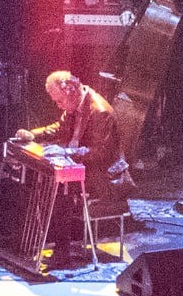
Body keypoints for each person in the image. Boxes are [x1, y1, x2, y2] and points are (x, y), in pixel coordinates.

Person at [25, 70, 130, 225]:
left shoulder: (100, 113)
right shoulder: (74, 103)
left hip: (104, 176)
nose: (58, 105)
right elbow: (60, 128)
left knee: (59, 189)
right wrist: (32, 135)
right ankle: (45, 232)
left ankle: (60, 244)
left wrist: (67, 152)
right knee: (42, 178)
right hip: (85, 167)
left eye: (60, 101)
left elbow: (101, 153)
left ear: (71, 92)